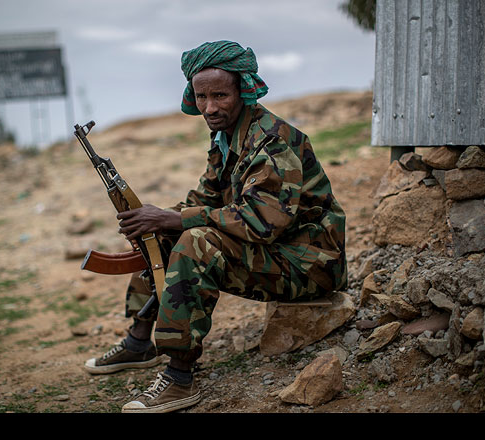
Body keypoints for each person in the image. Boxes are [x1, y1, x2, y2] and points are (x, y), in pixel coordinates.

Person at [84, 40, 348, 413]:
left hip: (309, 263)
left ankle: (178, 378)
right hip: (277, 252)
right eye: (201, 96)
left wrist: (174, 218)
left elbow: (262, 222)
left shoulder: (271, 143)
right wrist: (152, 218)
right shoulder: (226, 135)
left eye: (220, 95)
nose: (210, 107)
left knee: (195, 241)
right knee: (161, 234)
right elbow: (205, 200)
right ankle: (140, 340)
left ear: (243, 89)